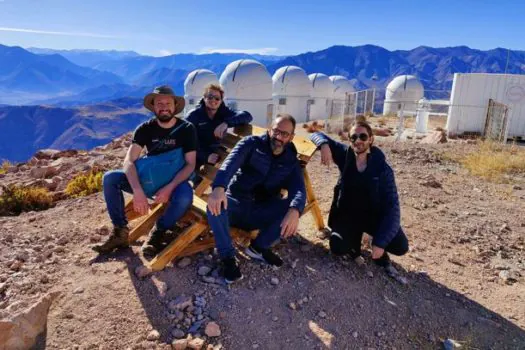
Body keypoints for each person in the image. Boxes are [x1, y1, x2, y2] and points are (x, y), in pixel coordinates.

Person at [93, 85, 197, 258]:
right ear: (153, 107)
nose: (164, 106)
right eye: (159, 103)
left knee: (185, 195)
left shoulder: (187, 129)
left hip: (173, 182)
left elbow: (190, 164)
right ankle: (120, 232)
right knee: (110, 178)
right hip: (147, 181)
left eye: (168, 102)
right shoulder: (145, 129)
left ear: (175, 106)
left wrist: (169, 187)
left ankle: (158, 233)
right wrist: (137, 191)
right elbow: (129, 161)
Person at [207, 114, 306, 283]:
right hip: (237, 202)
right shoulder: (251, 144)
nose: (279, 137)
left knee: (294, 207)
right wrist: (218, 188)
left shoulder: (291, 161)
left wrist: (295, 209)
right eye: (276, 131)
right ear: (269, 130)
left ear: (291, 137)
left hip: (261, 209)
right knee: (214, 204)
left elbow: (299, 189)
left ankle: (258, 248)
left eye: (285, 134)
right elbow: (228, 166)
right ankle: (228, 258)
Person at [310, 120, 409, 276]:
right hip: (349, 216)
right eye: (353, 137)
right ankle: (355, 243)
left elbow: (392, 208)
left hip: (373, 218)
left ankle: (371, 240)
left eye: (363, 136)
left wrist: (380, 242)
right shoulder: (345, 155)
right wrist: (323, 144)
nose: (358, 141)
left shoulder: (383, 169)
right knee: (337, 247)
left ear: (371, 139)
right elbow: (315, 134)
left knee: (400, 246)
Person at [186, 83, 252, 173]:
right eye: (210, 97)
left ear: (221, 100)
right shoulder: (194, 115)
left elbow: (247, 116)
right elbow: (187, 142)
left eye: (217, 98)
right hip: (195, 155)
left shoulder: (223, 111)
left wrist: (226, 123)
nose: (213, 100)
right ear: (204, 98)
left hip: (215, 153)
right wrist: (206, 156)